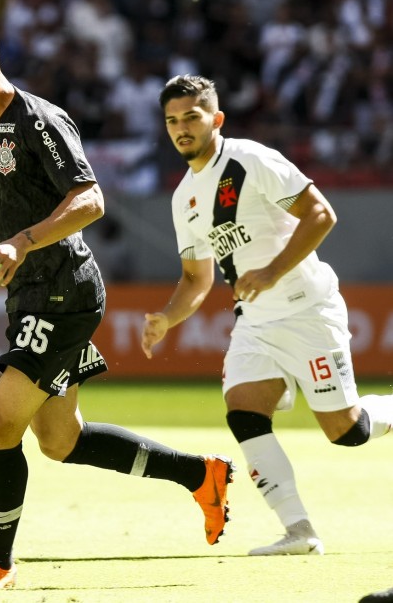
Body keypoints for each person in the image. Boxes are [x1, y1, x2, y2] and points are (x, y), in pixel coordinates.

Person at [0, 14, 234, 591]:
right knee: (61, 441)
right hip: (29, 296)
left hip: (64, 291)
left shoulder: (38, 120)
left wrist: (23, 239)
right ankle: (201, 476)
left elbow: (92, 198)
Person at [141, 74, 393, 556]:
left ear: (216, 119)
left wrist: (274, 271)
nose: (181, 128)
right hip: (255, 320)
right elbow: (197, 280)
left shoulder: (250, 159)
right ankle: (298, 530)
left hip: (306, 310)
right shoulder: (183, 198)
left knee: (348, 432)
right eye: (172, 121)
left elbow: (321, 214)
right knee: (243, 412)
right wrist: (168, 319)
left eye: (192, 117)